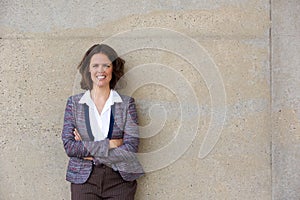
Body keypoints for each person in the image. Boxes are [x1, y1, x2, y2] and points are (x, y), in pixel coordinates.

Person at [61, 44, 144, 200]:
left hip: (120, 180)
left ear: (113, 69)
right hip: (84, 180)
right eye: (95, 65)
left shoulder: (127, 104)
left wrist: (88, 150)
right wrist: (112, 144)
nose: (101, 70)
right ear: (88, 70)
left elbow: (131, 147)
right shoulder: (74, 103)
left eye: (106, 65)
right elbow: (70, 146)